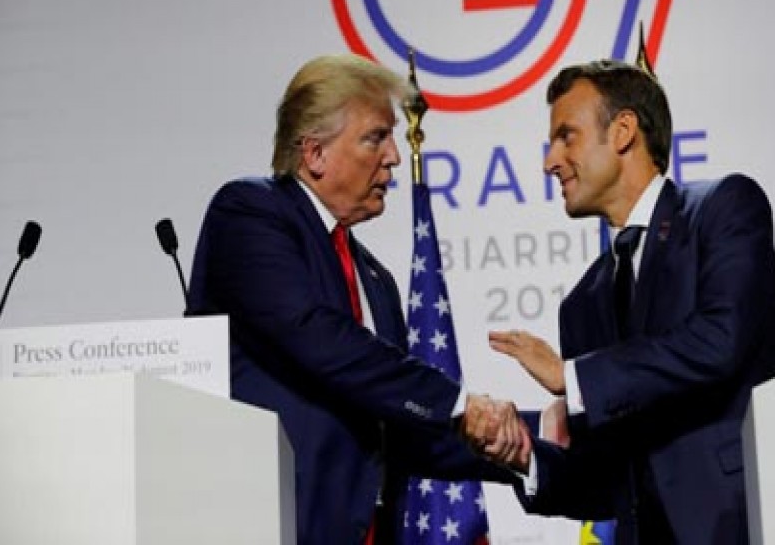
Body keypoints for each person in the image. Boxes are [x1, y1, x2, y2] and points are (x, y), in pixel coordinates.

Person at [186, 53, 526, 545]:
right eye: (375, 137)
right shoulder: (249, 213)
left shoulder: (375, 278)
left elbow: (405, 429)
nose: (392, 155)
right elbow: (314, 335)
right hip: (281, 525)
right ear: (314, 154)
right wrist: (458, 402)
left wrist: (530, 443)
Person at [470, 60, 775, 544]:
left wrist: (573, 377)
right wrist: (524, 456)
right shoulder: (582, 304)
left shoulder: (723, 210)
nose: (549, 161)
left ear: (623, 132)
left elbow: (719, 341)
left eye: (567, 137)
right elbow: (603, 483)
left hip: (744, 524)